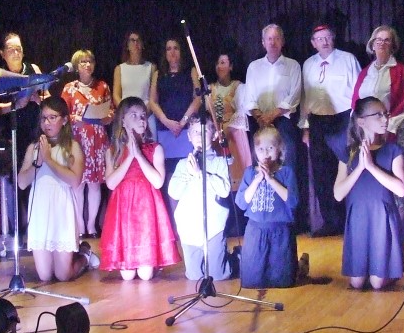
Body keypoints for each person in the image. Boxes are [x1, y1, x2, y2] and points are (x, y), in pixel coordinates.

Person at [100, 97, 181, 280]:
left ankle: (152, 263)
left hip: (146, 212)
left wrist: (139, 155)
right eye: (134, 115)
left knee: (145, 275)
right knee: (127, 276)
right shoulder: (113, 151)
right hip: (124, 211)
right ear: (122, 120)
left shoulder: (155, 148)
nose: (141, 120)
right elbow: (111, 183)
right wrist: (130, 156)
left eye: (143, 115)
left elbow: (158, 182)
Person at [17, 96, 97, 282]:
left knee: (63, 275)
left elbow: (74, 181)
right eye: (44, 118)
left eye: (52, 117)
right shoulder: (34, 148)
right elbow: (21, 182)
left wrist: (49, 160)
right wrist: (38, 162)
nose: (47, 123)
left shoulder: (72, 147)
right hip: (40, 211)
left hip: (61, 209)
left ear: (64, 120)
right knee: (45, 276)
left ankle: (84, 255)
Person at [333, 97, 404, 290]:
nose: (385, 119)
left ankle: (389, 272)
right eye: (378, 115)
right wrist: (360, 167)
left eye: (385, 114)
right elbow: (338, 194)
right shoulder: (349, 153)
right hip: (359, 218)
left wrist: (372, 167)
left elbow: (401, 189)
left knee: (377, 283)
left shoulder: (393, 150)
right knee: (357, 283)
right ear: (361, 121)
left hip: (381, 218)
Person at [299, 23, 361, 237]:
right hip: (317, 121)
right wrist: (305, 127)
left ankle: (351, 219)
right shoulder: (308, 64)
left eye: (327, 37)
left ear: (333, 38)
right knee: (321, 173)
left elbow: (358, 92)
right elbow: (305, 98)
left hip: (343, 119)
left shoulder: (348, 59)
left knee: (347, 168)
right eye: (319, 38)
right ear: (313, 43)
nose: (324, 42)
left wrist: (356, 123)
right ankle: (330, 222)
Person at [244, 23, 305, 231]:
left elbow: (294, 96)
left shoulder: (293, 66)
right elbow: (249, 97)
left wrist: (272, 115)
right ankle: (263, 213)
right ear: (263, 42)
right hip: (259, 122)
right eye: (269, 38)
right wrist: (260, 117)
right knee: (260, 166)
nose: (272, 42)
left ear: (282, 41)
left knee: (288, 167)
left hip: (283, 122)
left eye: (276, 38)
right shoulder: (254, 67)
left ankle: (290, 217)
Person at [352, 25, 404, 219]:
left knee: (398, 175)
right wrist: (360, 127)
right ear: (372, 44)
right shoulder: (365, 72)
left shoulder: (400, 70)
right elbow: (356, 102)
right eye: (378, 40)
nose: (382, 43)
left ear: (393, 45)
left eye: (386, 40)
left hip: (397, 129)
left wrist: (388, 127)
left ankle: (400, 223)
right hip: (370, 133)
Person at [168, 116, 233, 281]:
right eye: (195, 132)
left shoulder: (220, 162)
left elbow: (224, 190)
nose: (199, 136)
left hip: (214, 227)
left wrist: (199, 173)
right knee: (195, 276)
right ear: (189, 136)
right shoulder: (183, 164)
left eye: (204, 131)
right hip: (190, 228)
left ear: (214, 135)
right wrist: (189, 173)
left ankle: (235, 259)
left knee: (217, 275)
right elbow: (174, 192)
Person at [235, 126, 299, 288]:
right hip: (255, 231)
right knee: (251, 281)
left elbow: (293, 201)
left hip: (280, 231)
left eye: (270, 148)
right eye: (260, 149)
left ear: (279, 149)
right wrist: (257, 180)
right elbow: (241, 203)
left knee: (282, 281)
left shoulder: (286, 172)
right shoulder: (250, 173)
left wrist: (270, 179)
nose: (265, 153)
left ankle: (300, 266)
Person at [61, 49, 115, 239]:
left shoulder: (102, 86)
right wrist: (75, 118)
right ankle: (80, 225)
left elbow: (111, 111)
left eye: (90, 61)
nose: (87, 65)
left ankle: (91, 226)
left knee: (94, 184)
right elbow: (62, 114)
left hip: (97, 140)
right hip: (77, 140)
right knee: (78, 183)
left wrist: (106, 117)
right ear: (76, 66)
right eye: (83, 62)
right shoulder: (69, 88)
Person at [149, 37, 201, 202]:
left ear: (181, 51)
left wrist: (183, 121)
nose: (172, 52)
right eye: (168, 48)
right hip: (166, 131)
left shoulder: (191, 71)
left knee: (188, 170)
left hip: (186, 130)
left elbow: (198, 98)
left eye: (176, 48)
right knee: (170, 176)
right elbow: (152, 102)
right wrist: (166, 121)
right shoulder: (158, 74)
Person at [0, 32, 46, 165]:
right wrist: (16, 105)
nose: (16, 53)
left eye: (19, 49)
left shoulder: (33, 69)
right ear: (2, 53)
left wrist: (39, 100)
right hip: (11, 134)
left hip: (33, 131)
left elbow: (48, 99)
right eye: (11, 50)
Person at [208, 44, 252, 192]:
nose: (219, 67)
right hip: (216, 136)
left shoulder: (238, 87)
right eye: (217, 63)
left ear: (231, 66)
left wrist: (226, 130)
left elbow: (241, 113)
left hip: (234, 135)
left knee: (237, 174)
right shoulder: (210, 89)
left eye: (223, 63)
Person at [112, 30, 156, 135]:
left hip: (146, 116)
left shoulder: (151, 67)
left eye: (138, 40)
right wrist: (127, 114)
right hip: (126, 118)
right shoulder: (120, 69)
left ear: (142, 45)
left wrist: (143, 114)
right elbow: (116, 95)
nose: (135, 43)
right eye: (132, 40)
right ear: (127, 46)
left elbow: (153, 95)